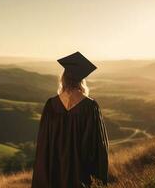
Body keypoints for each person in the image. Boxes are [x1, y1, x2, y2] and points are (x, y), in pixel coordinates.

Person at [31, 52, 109, 188]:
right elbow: (97, 147)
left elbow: (44, 144)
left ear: (63, 79)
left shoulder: (51, 105)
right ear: (81, 80)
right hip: (80, 175)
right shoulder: (90, 106)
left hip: (54, 172)